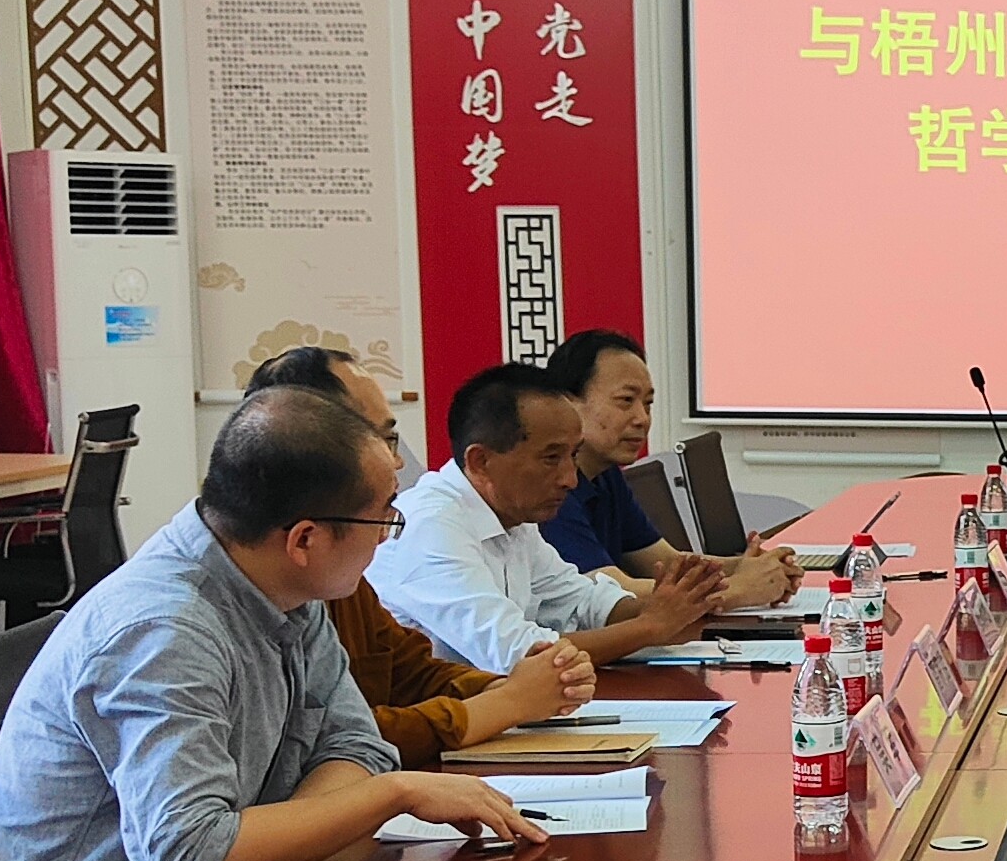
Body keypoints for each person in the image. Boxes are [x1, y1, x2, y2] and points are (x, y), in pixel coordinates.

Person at [0, 387, 542, 861]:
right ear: (304, 539)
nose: (385, 536)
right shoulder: (163, 631)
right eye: (383, 517)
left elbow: (355, 743)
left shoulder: (287, 584)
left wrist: (277, 839)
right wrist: (390, 795)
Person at [245, 345, 593, 763]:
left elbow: (407, 669)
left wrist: (497, 689)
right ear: (304, 447)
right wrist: (507, 703)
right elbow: (334, 737)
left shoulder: (333, 567)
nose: (396, 462)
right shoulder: (216, 603)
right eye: (379, 439)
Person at [372, 364, 740, 672]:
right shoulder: (429, 526)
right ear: (480, 461)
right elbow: (522, 654)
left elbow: (582, 603)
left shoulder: (514, 516)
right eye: (551, 458)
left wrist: (674, 606)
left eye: (573, 456)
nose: (570, 478)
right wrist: (650, 627)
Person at [533, 327, 797, 604]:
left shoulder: (606, 474)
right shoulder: (551, 490)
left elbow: (666, 562)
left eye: (647, 404)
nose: (642, 419)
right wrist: (737, 588)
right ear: (568, 403)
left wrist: (751, 567)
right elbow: (608, 594)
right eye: (626, 401)